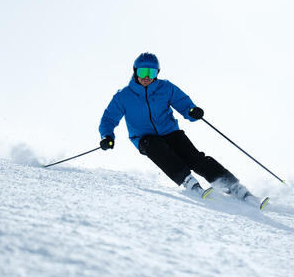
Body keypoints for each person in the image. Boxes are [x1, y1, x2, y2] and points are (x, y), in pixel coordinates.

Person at [98, 52, 258, 202]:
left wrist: (192, 111)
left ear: (157, 73)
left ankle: (233, 187)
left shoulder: (166, 88)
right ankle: (189, 182)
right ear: (135, 72)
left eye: (151, 73)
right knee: (157, 148)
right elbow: (108, 119)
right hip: (144, 139)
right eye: (142, 72)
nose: (146, 77)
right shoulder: (123, 96)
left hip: (170, 132)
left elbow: (183, 103)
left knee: (195, 158)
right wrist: (107, 137)